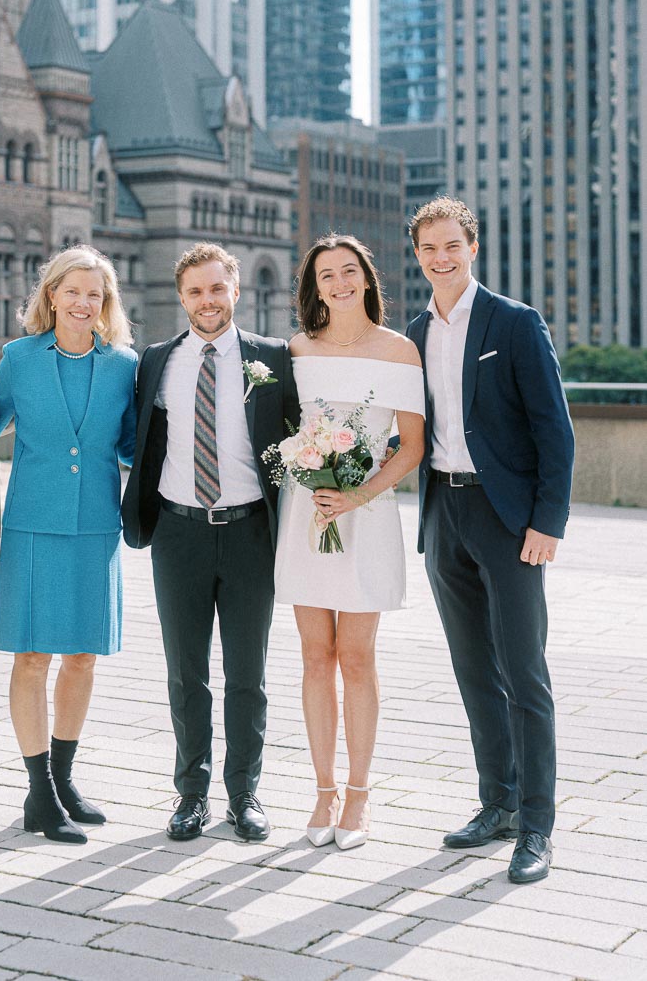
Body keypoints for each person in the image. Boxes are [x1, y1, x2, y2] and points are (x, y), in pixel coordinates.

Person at [407, 196, 574, 885]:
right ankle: (496, 803)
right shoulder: (413, 332)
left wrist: (547, 522)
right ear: (417, 255)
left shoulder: (515, 322)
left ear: (472, 247)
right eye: (428, 249)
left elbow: (554, 431)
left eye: (452, 245)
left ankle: (535, 825)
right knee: (475, 670)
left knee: (523, 673)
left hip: (507, 520)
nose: (441, 258)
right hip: (442, 513)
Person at [122, 243, 299, 843]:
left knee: (247, 677)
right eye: (196, 292)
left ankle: (245, 794)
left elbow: (299, 436)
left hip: (251, 533)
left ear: (236, 292)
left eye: (217, 289)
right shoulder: (155, 362)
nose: (208, 301)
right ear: (181, 297)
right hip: (178, 533)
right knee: (185, 674)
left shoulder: (273, 358)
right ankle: (190, 796)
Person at [274, 235, 425, 850]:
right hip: (306, 512)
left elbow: (410, 446)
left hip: (367, 513)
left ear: (366, 277)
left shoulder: (399, 352)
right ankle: (322, 792)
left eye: (348, 271)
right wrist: (313, 479)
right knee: (315, 656)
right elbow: (285, 433)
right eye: (325, 275)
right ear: (314, 286)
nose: (338, 283)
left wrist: (355, 496)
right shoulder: (295, 350)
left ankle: (359, 797)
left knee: (356, 656)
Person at [0, 245, 137, 845]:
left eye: (94, 295)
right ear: (50, 294)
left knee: (82, 655)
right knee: (32, 657)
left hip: (96, 527)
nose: (83, 302)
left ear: (106, 306)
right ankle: (38, 794)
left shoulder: (124, 365)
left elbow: (136, 447)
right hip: (33, 525)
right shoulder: (18, 360)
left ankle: (65, 779)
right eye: (72, 291)